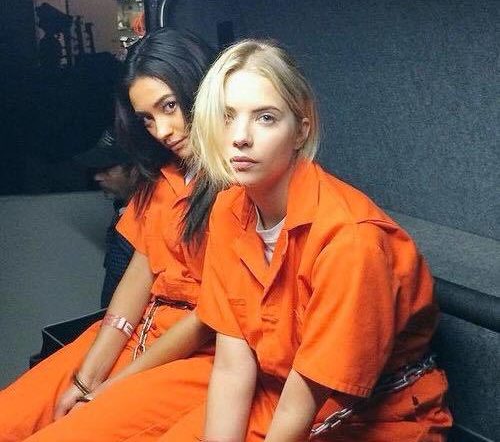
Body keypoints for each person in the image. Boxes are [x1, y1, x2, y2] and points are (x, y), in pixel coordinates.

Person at [157, 39, 453, 441]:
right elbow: (232, 366)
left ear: (301, 130)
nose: (240, 137)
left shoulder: (350, 242)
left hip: (379, 415)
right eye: (226, 117)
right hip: (276, 391)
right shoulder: (228, 210)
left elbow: (306, 399)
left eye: (265, 118)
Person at [0, 28, 217, 442]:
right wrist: (87, 377)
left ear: (201, 89)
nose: (162, 130)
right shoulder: (164, 176)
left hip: (198, 353)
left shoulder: (244, 179)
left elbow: (208, 317)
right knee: (9, 417)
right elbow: (140, 274)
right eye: (147, 118)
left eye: (169, 106)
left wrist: (108, 390)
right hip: (139, 329)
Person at [74, 128, 137, 307]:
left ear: (136, 169)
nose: (97, 177)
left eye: (107, 169)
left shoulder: (151, 221)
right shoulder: (121, 211)